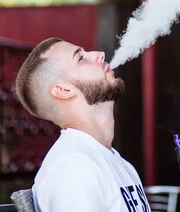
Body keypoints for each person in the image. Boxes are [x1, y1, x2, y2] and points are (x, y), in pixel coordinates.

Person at [15, 37, 151, 212]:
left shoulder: (116, 162)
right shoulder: (73, 168)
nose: (99, 54)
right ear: (63, 90)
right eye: (80, 58)